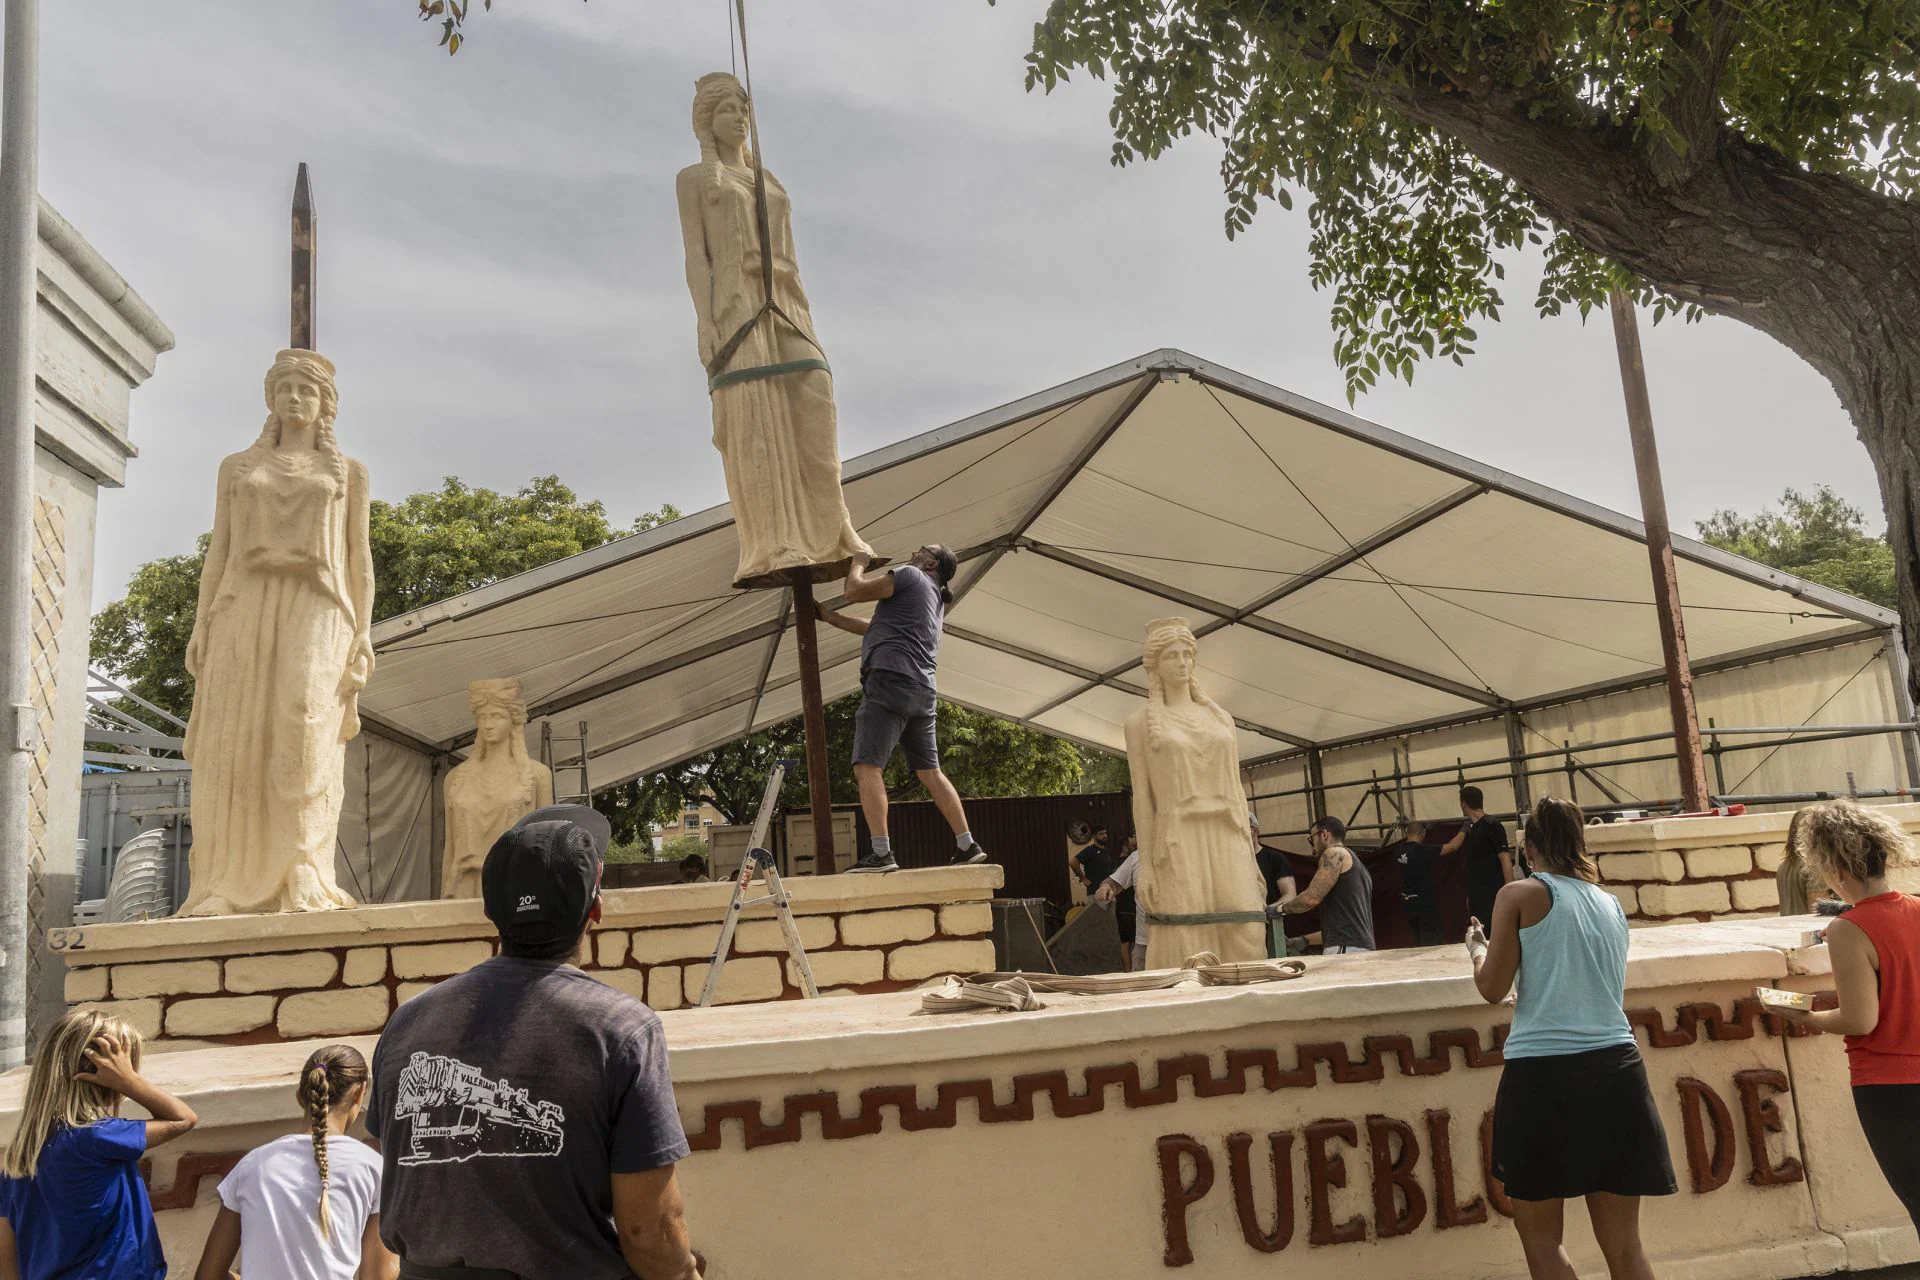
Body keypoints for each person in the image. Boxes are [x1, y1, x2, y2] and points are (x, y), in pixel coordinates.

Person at [368, 805, 703, 1280]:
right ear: (596, 909)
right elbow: (648, 1233)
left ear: (491, 913)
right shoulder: (623, 1030)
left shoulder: (406, 1022)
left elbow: (399, 1164)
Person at [1468, 796, 1674, 1280]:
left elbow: (1493, 988)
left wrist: (1476, 949)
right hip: (1617, 1070)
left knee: (1542, 1244)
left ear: (1529, 848)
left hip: (1544, 1076)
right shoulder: (1610, 903)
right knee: (1626, 1248)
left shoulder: (1518, 895)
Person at [1775, 799, 1920, 1230]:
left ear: (1832, 868)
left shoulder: (1849, 928)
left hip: (1892, 1087)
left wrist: (1802, 1014)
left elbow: (1860, 1020)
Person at [818, 546, 987, 873]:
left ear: (930, 562)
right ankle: (967, 844)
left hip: (890, 680)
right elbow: (875, 626)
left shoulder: (910, 575)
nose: (912, 551)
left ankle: (881, 853)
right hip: (923, 691)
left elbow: (854, 591)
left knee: (867, 767)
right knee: (930, 772)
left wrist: (859, 562)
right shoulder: (935, 602)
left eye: (922, 549)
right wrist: (828, 617)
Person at [0, 1009, 198, 1280]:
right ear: (106, 1076)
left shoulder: (18, 1158)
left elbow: (6, 1254)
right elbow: (183, 1119)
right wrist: (130, 1082)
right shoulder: (100, 1138)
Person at [194, 1045, 396, 1280]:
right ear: (359, 1094)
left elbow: (207, 1276)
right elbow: (378, 1277)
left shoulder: (252, 1166)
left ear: (300, 1096)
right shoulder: (374, 1168)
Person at [1275, 816, 1374, 953]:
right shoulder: (1360, 868)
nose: (1312, 845)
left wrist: (1280, 909)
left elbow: (1311, 898)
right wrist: (1304, 940)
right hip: (1357, 946)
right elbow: (1343, 927)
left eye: (1312, 839)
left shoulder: (1334, 853)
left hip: (1345, 948)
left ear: (1324, 835)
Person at [1444, 785, 1513, 934]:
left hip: (1493, 893)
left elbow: (1505, 858)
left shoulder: (1491, 825)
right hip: (1478, 895)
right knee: (1482, 934)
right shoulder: (1474, 829)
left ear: (1463, 803)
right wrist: (1471, 894)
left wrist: (1510, 891)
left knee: (1494, 933)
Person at [1251, 811, 1298, 957]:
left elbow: (1290, 895)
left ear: (1255, 831)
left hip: (1272, 929)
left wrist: (1267, 910)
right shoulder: (1231, 861)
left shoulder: (1275, 859)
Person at [1097, 847, 1149, 971]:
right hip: (1144, 943)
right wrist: (1106, 886)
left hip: (1181, 941)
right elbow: (1113, 882)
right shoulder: (1137, 857)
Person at [1399, 821, 1445, 946]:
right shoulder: (1422, 850)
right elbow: (1453, 846)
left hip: (1408, 903)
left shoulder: (1399, 850)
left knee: (1416, 939)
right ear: (1422, 833)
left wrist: (1426, 830)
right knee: (1429, 942)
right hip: (1424, 905)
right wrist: (1464, 829)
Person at [1776, 808, 1814, 916]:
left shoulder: (1783, 866)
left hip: (1791, 930)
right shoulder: (1813, 866)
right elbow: (1817, 913)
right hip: (1809, 931)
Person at [1075, 825, 1117, 897]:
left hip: (1109, 891)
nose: (1104, 836)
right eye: (1101, 834)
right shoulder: (1090, 850)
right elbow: (1073, 862)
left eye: (1105, 833)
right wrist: (1083, 879)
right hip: (1095, 892)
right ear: (1094, 836)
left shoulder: (1107, 851)